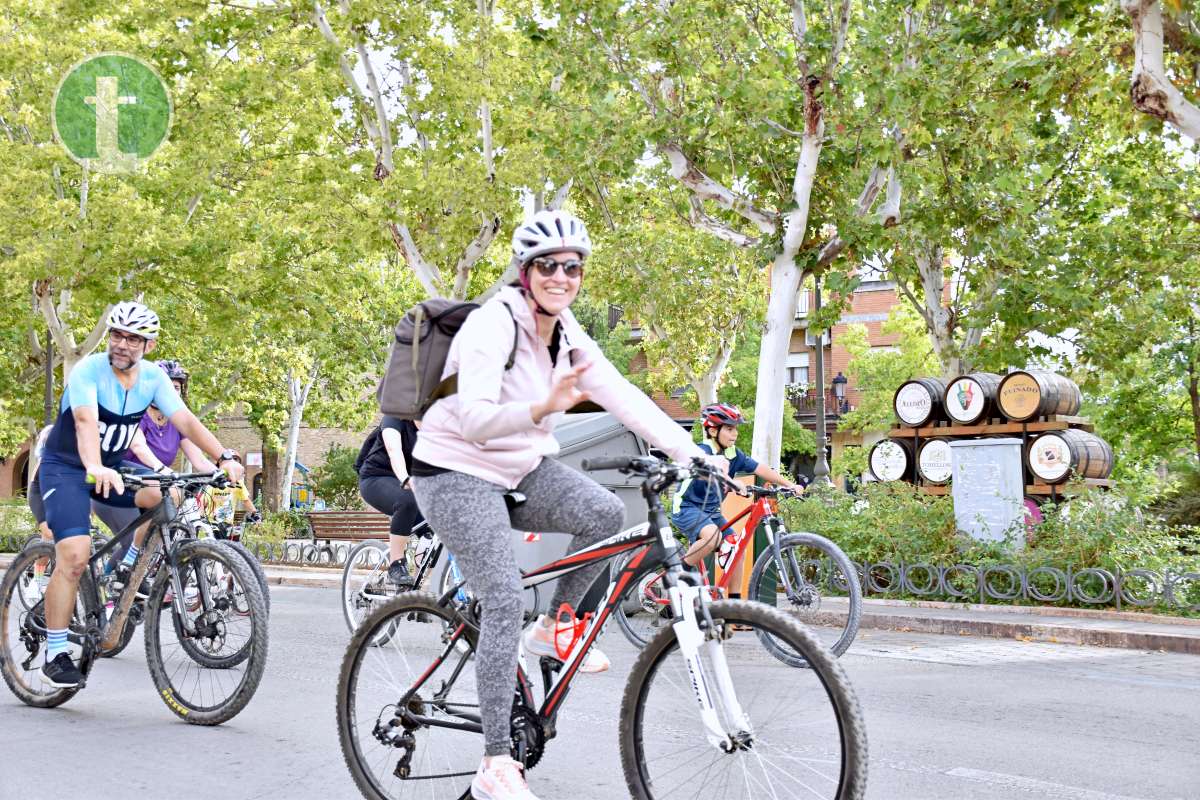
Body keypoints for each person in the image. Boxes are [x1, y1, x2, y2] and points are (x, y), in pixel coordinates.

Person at [409, 209, 721, 800]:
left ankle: (555, 626)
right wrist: (539, 407)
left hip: (518, 467)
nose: (561, 276)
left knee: (604, 514)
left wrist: (696, 451)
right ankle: (495, 763)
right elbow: (473, 421)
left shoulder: (570, 334)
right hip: (451, 470)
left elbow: (624, 397)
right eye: (547, 265)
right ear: (525, 272)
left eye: (572, 267)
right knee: (502, 600)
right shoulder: (491, 325)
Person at [37, 301, 244, 689]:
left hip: (112, 469)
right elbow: (84, 423)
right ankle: (56, 650)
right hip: (68, 469)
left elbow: (186, 421)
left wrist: (224, 456)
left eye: (134, 339)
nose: (123, 344)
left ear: (148, 346)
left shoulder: (153, 379)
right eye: (117, 335)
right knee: (75, 556)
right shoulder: (88, 372)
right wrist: (95, 466)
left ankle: (131, 566)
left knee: (166, 497)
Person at [671, 403, 804, 569]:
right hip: (686, 508)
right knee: (713, 536)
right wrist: (733, 483)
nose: (735, 433)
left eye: (735, 429)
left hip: (711, 511)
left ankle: (733, 596)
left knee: (737, 548)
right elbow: (713, 471)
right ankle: (676, 573)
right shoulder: (702, 451)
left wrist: (789, 484)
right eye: (729, 429)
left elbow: (760, 468)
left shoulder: (734, 454)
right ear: (713, 431)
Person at [355, 416, 422, 590]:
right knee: (407, 500)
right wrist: (405, 478)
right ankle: (396, 564)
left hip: (412, 485)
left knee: (435, 529)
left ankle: (413, 591)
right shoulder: (395, 418)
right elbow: (394, 450)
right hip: (376, 478)